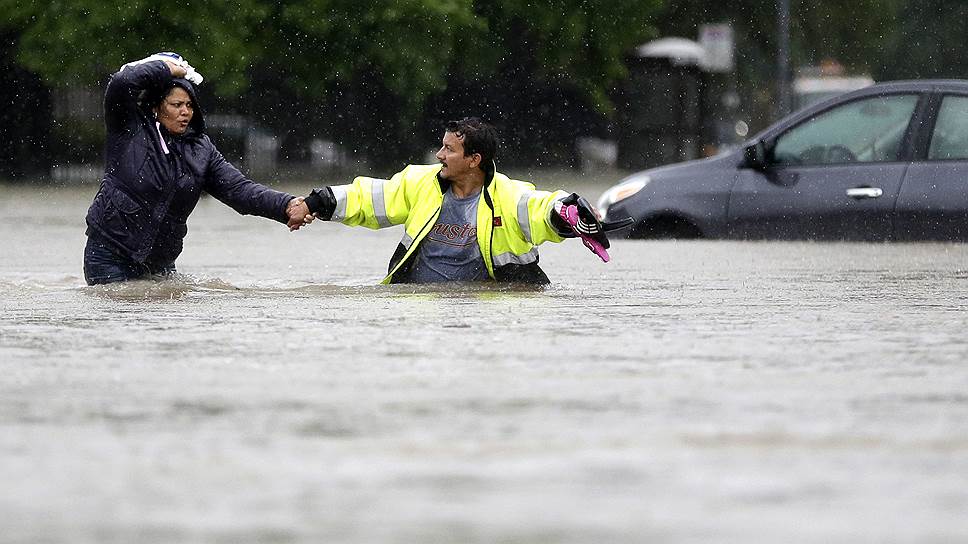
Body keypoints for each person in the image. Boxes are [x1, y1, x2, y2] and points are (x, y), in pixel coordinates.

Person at [287, 117, 611, 284]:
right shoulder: (420, 182)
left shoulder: (508, 195)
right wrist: (318, 202)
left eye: (449, 150)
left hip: (484, 312)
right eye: (441, 146)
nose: (440, 155)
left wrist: (566, 212)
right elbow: (371, 197)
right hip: (419, 311)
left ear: (474, 160)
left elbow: (538, 208)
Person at [83, 52, 307, 285]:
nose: (185, 112)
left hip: (160, 262)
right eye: (176, 105)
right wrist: (167, 68)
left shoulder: (202, 150)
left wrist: (286, 205)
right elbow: (122, 82)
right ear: (156, 107)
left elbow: (241, 191)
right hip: (110, 255)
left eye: (189, 105)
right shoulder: (129, 127)